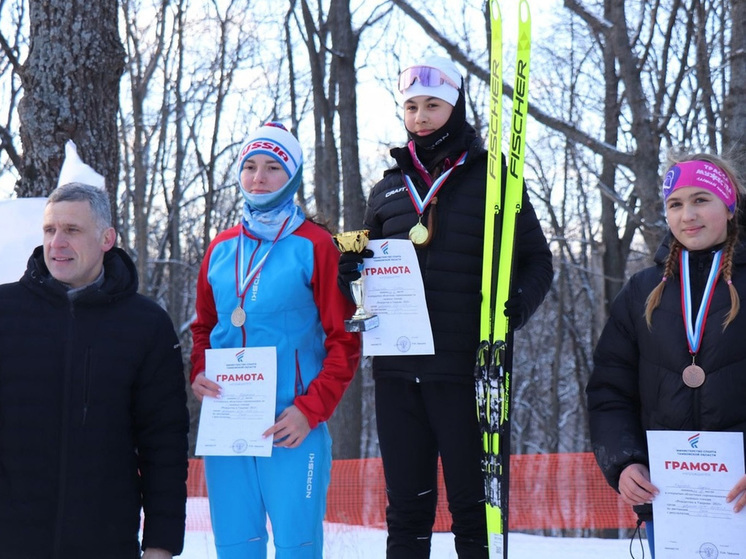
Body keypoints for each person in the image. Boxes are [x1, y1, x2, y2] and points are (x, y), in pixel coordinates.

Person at [338, 56, 553, 558]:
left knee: (473, 511)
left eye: (433, 105)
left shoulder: (497, 180)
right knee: (406, 511)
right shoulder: (386, 188)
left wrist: (512, 310)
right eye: (411, 106)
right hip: (397, 373)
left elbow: (537, 261)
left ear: (454, 107)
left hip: (466, 369)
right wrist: (352, 272)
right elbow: (366, 261)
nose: (421, 116)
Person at [0, 141, 189, 559]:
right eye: (50, 230)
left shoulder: (146, 324)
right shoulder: (4, 311)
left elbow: (164, 444)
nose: (57, 243)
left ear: (107, 238)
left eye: (72, 230)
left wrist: (160, 544)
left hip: (105, 541)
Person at [190, 122, 361, 559]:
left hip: (292, 427)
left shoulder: (317, 245)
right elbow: (204, 328)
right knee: (235, 547)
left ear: (293, 177)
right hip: (229, 427)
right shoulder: (221, 247)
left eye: (272, 168)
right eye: (249, 166)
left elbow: (345, 340)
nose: (258, 177)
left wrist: (310, 409)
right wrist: (199, 371)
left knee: (296, 548)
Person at [587, 151, 746, 557]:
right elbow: (610, 391)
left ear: (729, 207)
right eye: (675, 204)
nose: (687, 215)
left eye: (701, 199)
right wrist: (624, 463)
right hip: (673, 504)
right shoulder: (642, 291)